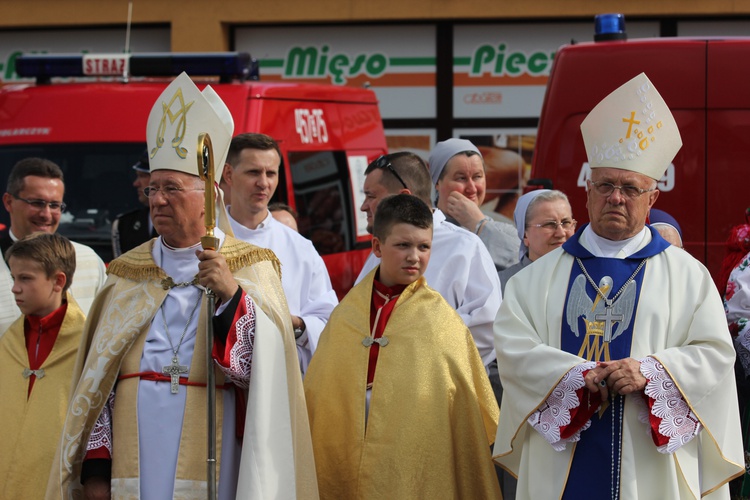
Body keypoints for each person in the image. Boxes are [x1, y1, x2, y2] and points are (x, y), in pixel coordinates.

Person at [46, 72, 317, 500]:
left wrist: (232, 297)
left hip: (218, 449)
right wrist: (97, 470)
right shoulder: (126, 275)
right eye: (153, 188)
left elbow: (263, 378)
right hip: (132, 460)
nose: (157, 200)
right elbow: (99, 384)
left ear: (210, 193)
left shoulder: (251, 268)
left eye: (172, 188)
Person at [492, 72, 743, 499]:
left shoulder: (687, 276)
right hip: (564, 460)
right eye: (606, 185)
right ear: (587, 191)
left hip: (648, 458)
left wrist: (650, 371)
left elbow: (714, 354)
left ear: (653, 199)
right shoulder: (536, 279)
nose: (616, 198)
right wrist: (575, 376)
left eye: (631, 188)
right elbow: (514, 350)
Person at [305, 193, 501, 499]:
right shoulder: (346, 314)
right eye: (403, 245)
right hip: (347, 439)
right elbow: (320, 392)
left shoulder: (441, 319)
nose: (414, 256)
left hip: (416, 447)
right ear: (377, 247)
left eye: (424, 247)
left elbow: (465, 407)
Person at [355, 152, 501, 370]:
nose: (364, 206)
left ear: (404, 196)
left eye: (371, 196)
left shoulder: (464, 247)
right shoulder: (380, 249)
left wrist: (414, 359)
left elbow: (487, 327)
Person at [224, 133, 338, 373]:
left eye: (271, 173)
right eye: (253, 172)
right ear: (228, 175)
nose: (264, 183)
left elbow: (330, 323)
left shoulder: (300, 248)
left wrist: (296, 325)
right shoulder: (208, 239)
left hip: (278, 377)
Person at [0, 232, 87, 499]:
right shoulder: (8, 340)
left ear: (58, 281)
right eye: (14, 278)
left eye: (25, 278)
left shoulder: (88, 342)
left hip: (57, 478)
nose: (15, 287)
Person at [0, 157, 106, 334]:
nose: (46, 214)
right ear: (8, 202)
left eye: (55, 205)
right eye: (37, 203)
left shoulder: (89, 261)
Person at [429, 138, 520, 271]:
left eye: (477, 176)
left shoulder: (501, 226)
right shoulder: (426, 228)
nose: (472, 188)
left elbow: (522, 261)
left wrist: (479, 224)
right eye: (461, 178)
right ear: (437, 182)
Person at [498, 189, 575, 294]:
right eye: (549, 224)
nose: (561, 233)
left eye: (566, 223)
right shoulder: (503, 284)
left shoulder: (585, 276)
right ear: (525, 234)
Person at [111, 151, 157, 258]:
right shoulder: (124, 225)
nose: (136, 183)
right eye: (137, 176)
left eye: (143, 176)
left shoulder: (186, 223)